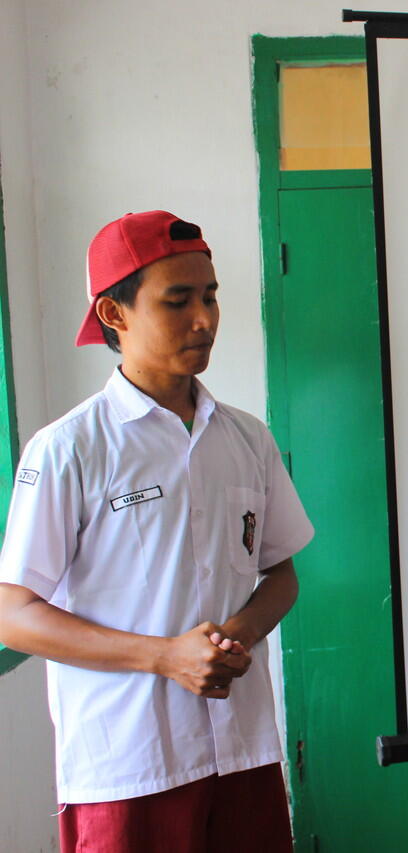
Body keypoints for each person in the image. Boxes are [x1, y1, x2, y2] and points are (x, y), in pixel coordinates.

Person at [0, 210, 314, 852]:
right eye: (177, 301)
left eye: (210, 296)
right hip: (128, 764)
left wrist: (241, 631)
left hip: (242, 750)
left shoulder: (247, 439)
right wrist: (164, 656)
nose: (204, 318)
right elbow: (11, 614)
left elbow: (280, 572)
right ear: (114, 315)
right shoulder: (68, 449)